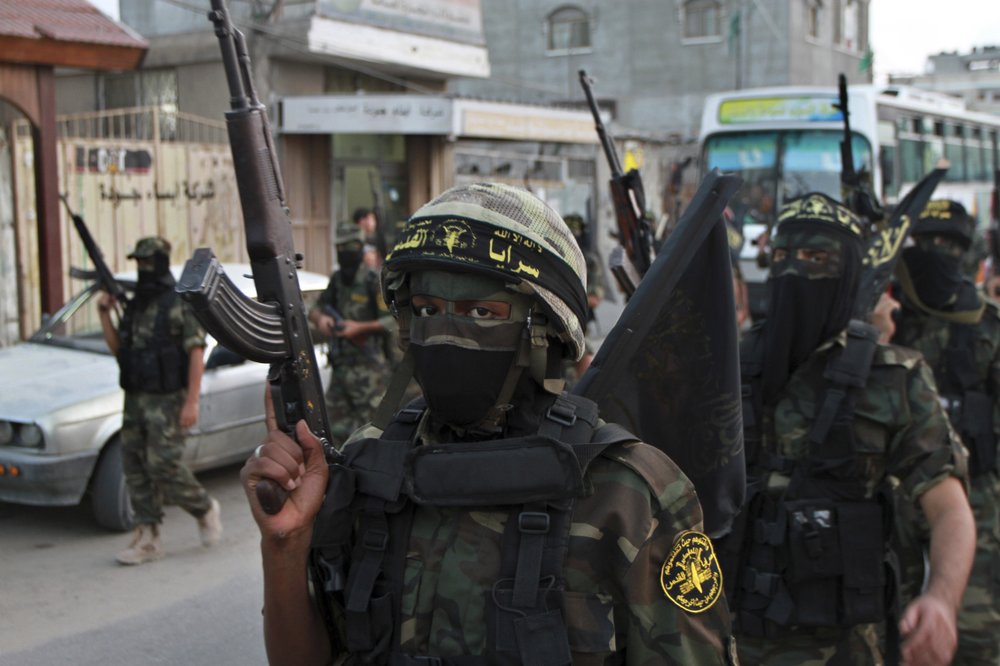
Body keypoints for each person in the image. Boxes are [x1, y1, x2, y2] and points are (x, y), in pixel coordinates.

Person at [242, 182, 739, 665]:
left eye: (481, 311)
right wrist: (284, 543)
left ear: (545, 329)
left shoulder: (625, 493)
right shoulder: (369, 466)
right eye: (427, 310)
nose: (445, 333)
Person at [720, 193, 975, 665]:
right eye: (782, 257)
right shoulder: (727, 367)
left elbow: (950, 512)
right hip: (728, 642)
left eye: (817, 258)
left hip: (846, 647)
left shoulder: (893, 378)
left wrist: (941, 599)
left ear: (849, 273)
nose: (795, 271)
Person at [892, 199, 1000, 665]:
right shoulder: (888, 318)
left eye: (949, 245)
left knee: (974, 631)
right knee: (900, 628)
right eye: (927, 243)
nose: (937, 254)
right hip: (899, 498)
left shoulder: (986, 324)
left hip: (976, 499)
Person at [98, 236, 222, 565]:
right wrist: (103, 315)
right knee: (135, 467)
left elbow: (196, 352)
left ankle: (204, 507)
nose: (143, 268)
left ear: (162, 262)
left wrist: (191, 402)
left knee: (162, 465)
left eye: (148, 262)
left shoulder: (178, 302)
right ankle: (148, 537)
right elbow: (119, 352)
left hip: (168, 400)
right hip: (136, 398)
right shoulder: (136, 304)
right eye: (138, 262)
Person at [308, 220, 394, 447]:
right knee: (329, 430)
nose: (345, 252)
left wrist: (359, 328)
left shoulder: (372, 280)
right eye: (341, 247)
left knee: (372, 433)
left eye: (351, 247)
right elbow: (314, 308)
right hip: (341, 367)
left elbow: (393, 320)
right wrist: (322, 320)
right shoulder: (336, 280)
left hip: (368, 369)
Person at [562, 212, 605, 380]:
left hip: (577, 327)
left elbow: (595, 298)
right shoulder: (553, 258)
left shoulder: (589, 261)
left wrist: (564, 297)